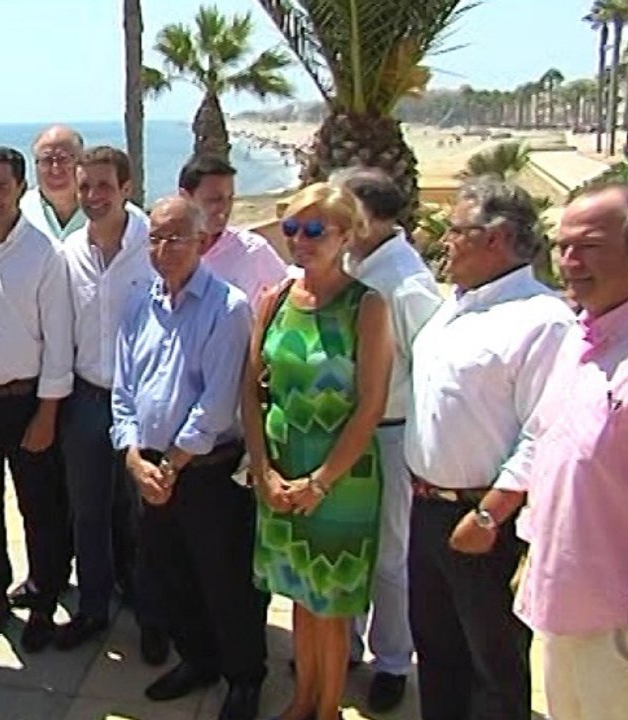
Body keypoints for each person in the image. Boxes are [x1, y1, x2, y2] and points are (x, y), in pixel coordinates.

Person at [510, 184, 628, 719]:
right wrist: (532, 548)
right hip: (565, 610)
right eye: (562, 246)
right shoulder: (579, 339)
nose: (569, 262)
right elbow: (555, 455)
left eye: (588, 246)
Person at [405, 177, 573, 720]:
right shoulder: (454, 304)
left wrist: (489, 513)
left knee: (493, 665)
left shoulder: (542, 319)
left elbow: (541, 430)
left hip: (483, 520)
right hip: (428, 508)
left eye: (455, 231)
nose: (443, 241)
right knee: (436, 650)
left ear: (496, 239)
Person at [113, 194, 264, 720]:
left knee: (225, 581)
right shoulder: (138, 302)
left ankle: (244, 678)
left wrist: (171, 466)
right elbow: (123, 388)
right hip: (150, 467)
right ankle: (197, 660)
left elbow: (216, 403)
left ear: (201, 241)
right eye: (154, 237)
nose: (163, 247)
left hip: (207, 471)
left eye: (176, 236)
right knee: (169, 574)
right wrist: (132, 454)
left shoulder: (228, 307)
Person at [246, 182, 392, 720]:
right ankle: (302, 701)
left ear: (347, 235)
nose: (299, 241)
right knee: (298, 599)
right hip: (281, 470)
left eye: (314, 231)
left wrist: (320, 482)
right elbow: (252, 388)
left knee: (329, 607)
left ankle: (325, 709)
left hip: (339, 479)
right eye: (291, 229)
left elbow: (370, 407)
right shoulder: (276, 300)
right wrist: (263, 470)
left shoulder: (366, 306)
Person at [0, 146, 74, 652]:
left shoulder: (44, 252)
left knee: (40, 508)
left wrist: (46, 413)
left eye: (1, 186)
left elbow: (59, 340)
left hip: (26, 402)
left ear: (21, 188)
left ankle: (44, 598)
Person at [336, 167, 444, 712]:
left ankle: (394, 661)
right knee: (351, 546)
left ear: (374, 218)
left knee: (389, 555)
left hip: (391, 434)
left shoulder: (405, 283)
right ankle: (348, 645)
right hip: (349, 431)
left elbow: (428, 367)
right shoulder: (355, 265)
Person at [57, 145, 154, 652]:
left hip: (142, 404)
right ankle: (93, 608)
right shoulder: (69, 252)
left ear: (126, 188)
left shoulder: (153, 246)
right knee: (87, 512)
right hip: (87, 398)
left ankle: (149, 610)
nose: (93, 196)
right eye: (86, 185)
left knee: (142, 513)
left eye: (103, 186)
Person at [177, 154, 288, 305]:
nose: (224, 208)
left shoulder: (252, 251)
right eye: (214, 200)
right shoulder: (165, 251)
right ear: (185, 196)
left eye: (230, 198)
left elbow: (286, 295)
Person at [20, 124, 86, 242]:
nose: (55, 169)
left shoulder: (111, 211)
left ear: (82, 161)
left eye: (63, 159)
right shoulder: (17, 211)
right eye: (46, 160)